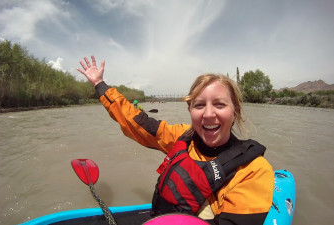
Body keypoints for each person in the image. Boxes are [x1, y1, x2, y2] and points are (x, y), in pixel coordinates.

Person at [77, 55, 274, 225]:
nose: (208, 114)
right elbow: (135, 121)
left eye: (219, 104)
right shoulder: (183, 136)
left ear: (235, 111)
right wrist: (99, 84)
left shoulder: (253, 170)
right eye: (199, 105)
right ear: (189, 110)